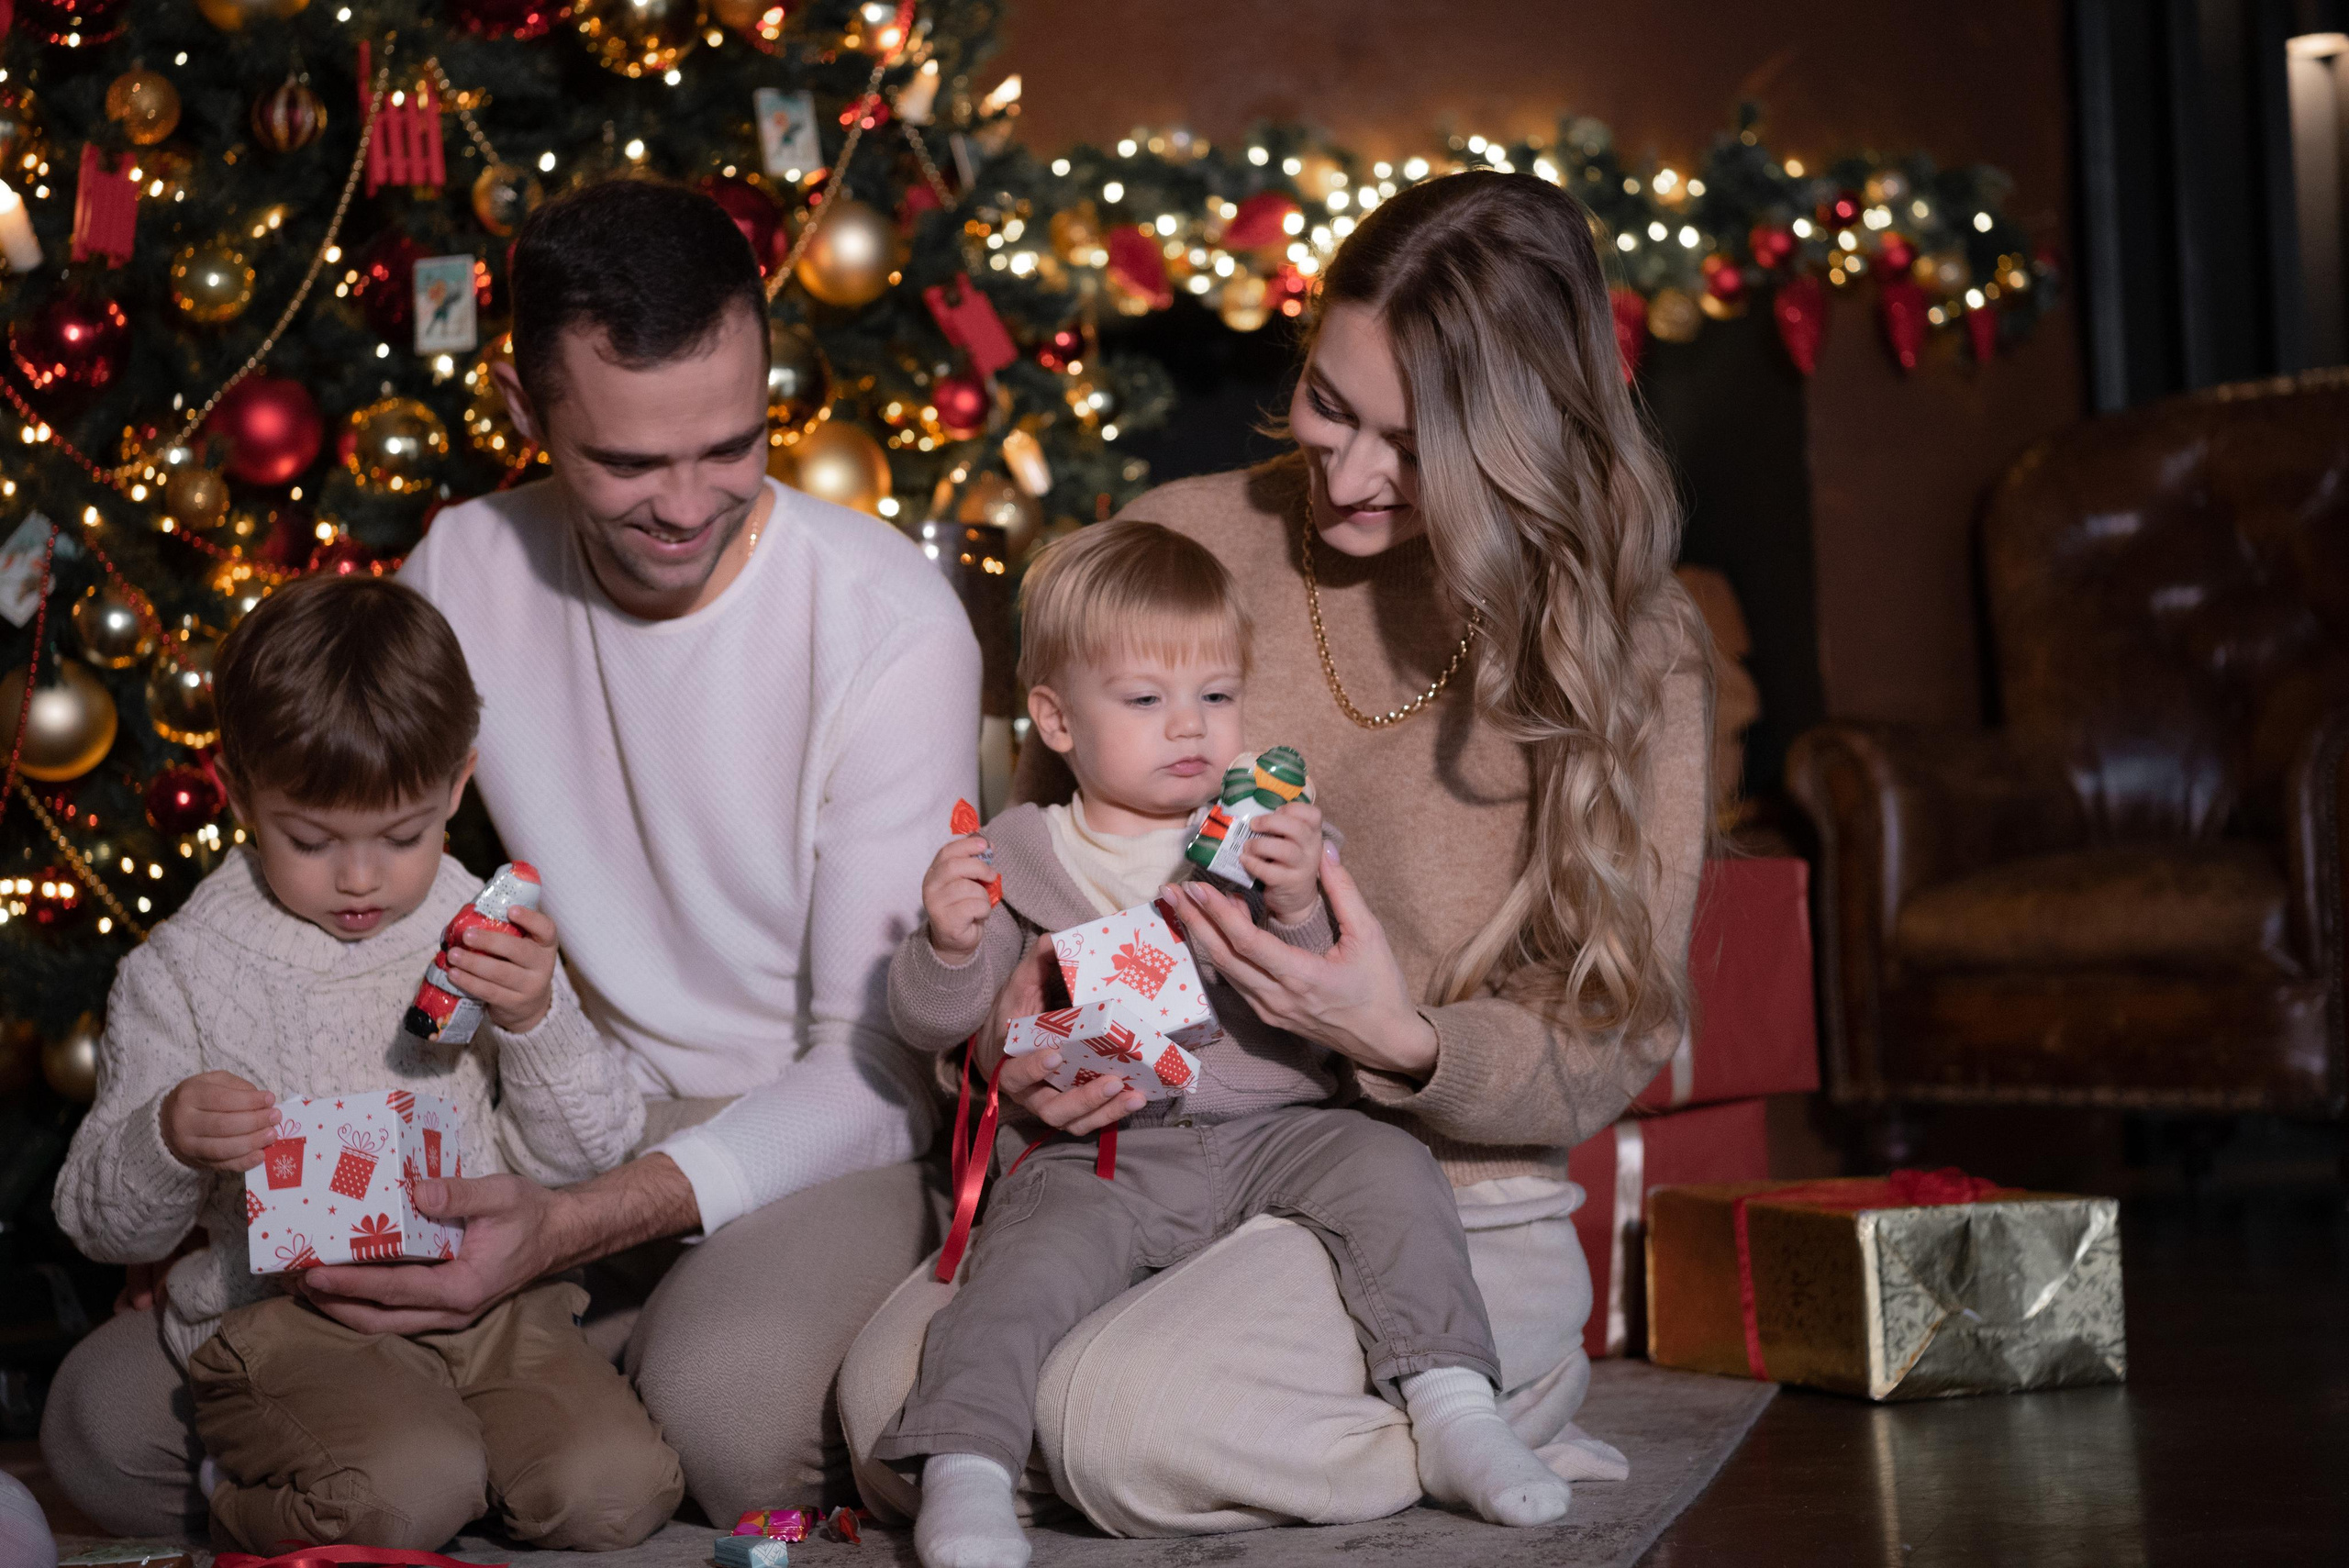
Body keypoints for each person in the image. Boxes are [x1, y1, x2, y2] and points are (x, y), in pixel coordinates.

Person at [39, 179, 981, 1532]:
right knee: (108, 1421)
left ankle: (575, 1373)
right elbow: (341, 847)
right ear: (524, 407)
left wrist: (578, 1225)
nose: (688, 504)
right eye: (628, 463)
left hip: (804, 1132)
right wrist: (196, 1173)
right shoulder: (464, 569)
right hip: (549, 1109)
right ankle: (522, 1399)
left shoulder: (891, 624)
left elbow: (878, 1070)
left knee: (734, 1419)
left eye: (732, 445)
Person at [840, 169, 1711, 1536]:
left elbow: (1612, 1036)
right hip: (1132, 1159)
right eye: (1329, 404)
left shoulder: (1630, 643)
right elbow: (1042, 892)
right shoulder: (1180, 541)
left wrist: (1403, 1038)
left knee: (1114, 1430)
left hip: (1434, 1193)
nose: (1350, 477)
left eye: (1415, 446)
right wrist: (1014, 1042)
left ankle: (1500, 1384)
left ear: (1523, 438)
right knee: (886, 1413)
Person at [876, 519, 1573, 1568]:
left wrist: (1296, 898)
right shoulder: (1014, 854)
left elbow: (1330, 988)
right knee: (1018, 1272)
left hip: (1275, 1127)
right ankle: (965, 1466)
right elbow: (940, 1024)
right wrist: (946, 945)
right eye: (1143, 700)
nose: (1188, 726)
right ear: (1055, 718)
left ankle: (1453, 1405)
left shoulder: (1264, 834)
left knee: (1387, 1165)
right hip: (1098, 1155)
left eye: (1215, 694)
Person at [50, 575, 677, 1551]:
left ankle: (447, 1460)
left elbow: (586, 1155)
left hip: (488, 1301)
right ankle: (257, 1494)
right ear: (237, 791)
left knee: (619, 1491)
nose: (358, 877)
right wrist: (167, 1135)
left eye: (402, 834)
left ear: (458, 785)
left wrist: (538, 1019)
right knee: (404, 1494)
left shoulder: (483, 931)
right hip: (294, 1320)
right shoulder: (179, 972)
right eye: (310, 839)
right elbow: (96, 1220)